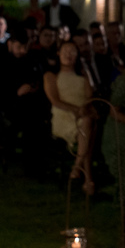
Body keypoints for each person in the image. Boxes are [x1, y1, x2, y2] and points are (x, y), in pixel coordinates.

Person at [44, 41, 95, 195]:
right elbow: (54, 100)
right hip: (64, 115)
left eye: (73, 51)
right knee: (88, 129)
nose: (69, 54)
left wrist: (84, 109)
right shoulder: (51, 75)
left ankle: (78, 168)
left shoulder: (83, 75)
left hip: (82, 115)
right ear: (58, 53)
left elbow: (88, 97)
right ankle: (87, 177)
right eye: (66, 51)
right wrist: (75, 110)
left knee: (87, 125)